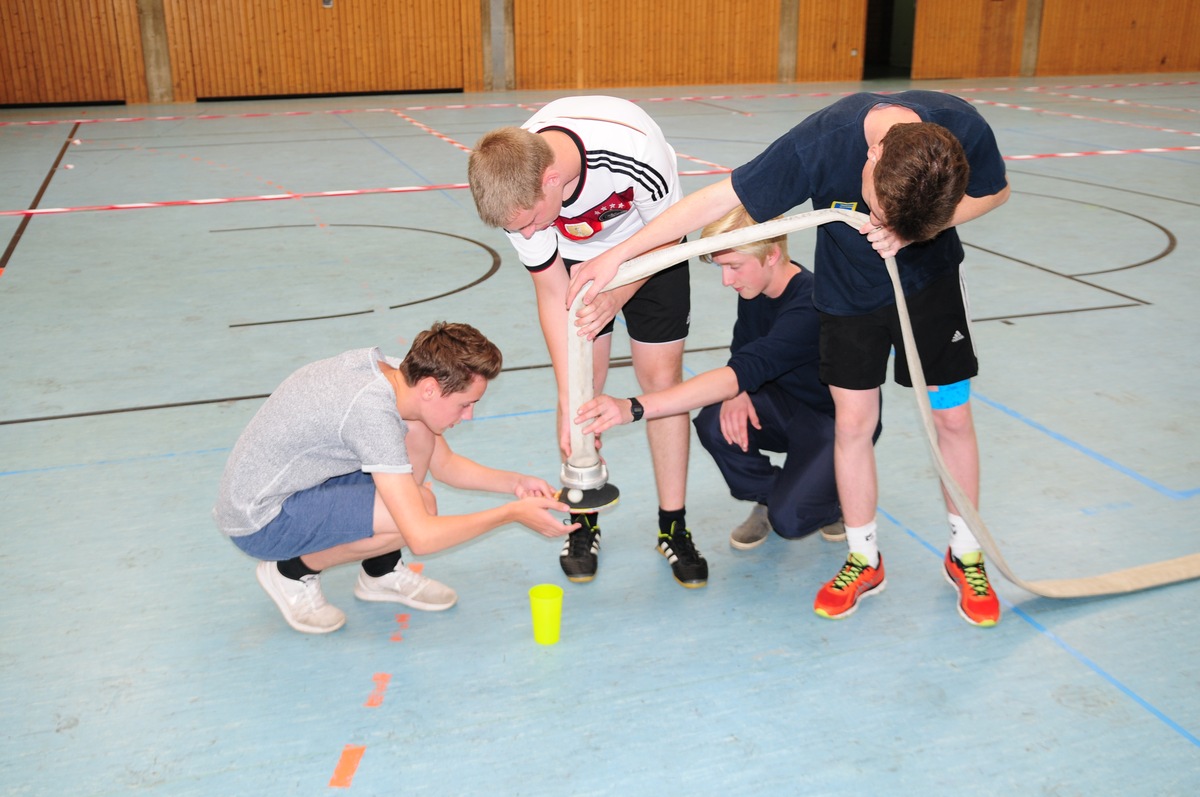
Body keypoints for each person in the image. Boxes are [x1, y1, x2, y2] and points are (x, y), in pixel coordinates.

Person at [565, 91, 1010, 627]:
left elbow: (995, 193)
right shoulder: (823, 141)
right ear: (869, 157)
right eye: (875, 206)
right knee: (852, 423)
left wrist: (923, 228)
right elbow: (713, 201)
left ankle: (966, 553)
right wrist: (617, 255)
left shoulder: (962, 126)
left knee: (953, 418)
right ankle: (863, 558)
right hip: (848, 297)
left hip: (931, 286)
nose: (875, 217)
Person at [467, 95, 706, 588]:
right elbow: (551, 287)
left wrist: (618, 291)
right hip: (576, 264)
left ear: (550, 179)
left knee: (660, 383)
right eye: (522, 228)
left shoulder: (634, 152)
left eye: (533, 220)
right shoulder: (516, 190)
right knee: (581, 389)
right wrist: (566, 392)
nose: (532, 231)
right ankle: (582, 518)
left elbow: (670, 236)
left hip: (652, 246)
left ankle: (673, 524)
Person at [213, 322, 574, 635]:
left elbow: (444, 463)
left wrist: (514, 483)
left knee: (418, 440)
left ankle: (380, 572)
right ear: (432, 388)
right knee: (420, 512)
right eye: (465, 404)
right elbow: (423, 538)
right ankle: (290, 572)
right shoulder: (372, 415)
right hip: (260, 520)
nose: (469, 416)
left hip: (292, 485)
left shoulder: (399, 377)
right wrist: (511, 513)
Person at [576, 205, 873, 551]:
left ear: (772, 255)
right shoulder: (756, 289)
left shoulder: (809, 304)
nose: (726, 280)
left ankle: (833, 496)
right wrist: (737, 395)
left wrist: (633, 407)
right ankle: (773, 494)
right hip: (783, 407)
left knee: (790, 522)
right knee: (715, 421)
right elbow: (744, 354)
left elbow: (743, 371)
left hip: (831, 423)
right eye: (722, 268)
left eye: (734, 267)